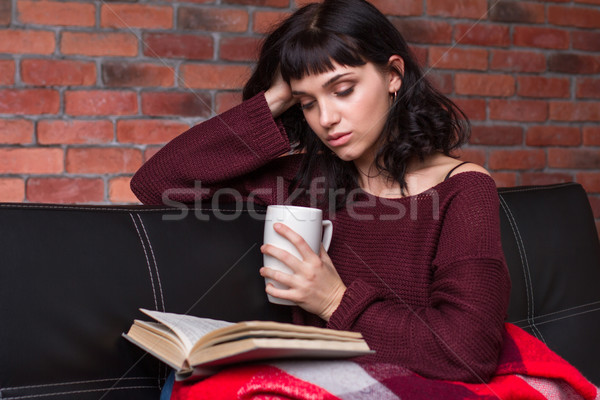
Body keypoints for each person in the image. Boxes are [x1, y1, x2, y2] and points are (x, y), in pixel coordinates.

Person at [131, 0, 510, 384]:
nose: (325, 119)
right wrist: (274, 100)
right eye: (307, 102)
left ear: (394, 75)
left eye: (343, 90)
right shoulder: (304, 181)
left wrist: (334, 301)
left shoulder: (462, 189)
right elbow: (156, 184)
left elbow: (468, 353)